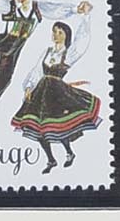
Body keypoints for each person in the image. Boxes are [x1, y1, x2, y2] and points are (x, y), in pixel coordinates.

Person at [10, 19, 102, 171]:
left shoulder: (68, 54)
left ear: (66, 36)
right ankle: (51, 160)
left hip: (58, 94)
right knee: (39, 129)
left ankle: (69, 153)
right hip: (41, 93)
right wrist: (29, 86)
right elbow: (37, 70)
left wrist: (86, 18)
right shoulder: (47, 52)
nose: (56, 35)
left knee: (59, 127)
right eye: (54, 31)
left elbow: (81, 43)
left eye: (60, 33)